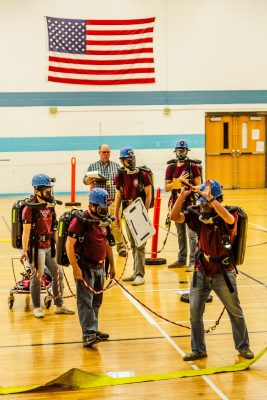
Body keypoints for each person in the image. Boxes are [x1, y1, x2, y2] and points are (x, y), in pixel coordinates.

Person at [170, 179, 254, 361]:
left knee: (235, 312)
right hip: (201, 271)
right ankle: (198, 349)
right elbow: (174, 216)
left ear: (215, 199)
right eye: (201, 201)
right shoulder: (197, 214)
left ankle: (243, 347)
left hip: (223, 273)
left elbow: (229, 219)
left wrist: (211, 199)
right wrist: (181, 197)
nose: (202, 205)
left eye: (205, 201)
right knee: (194, 313)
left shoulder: (230, 215)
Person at [66, 188, 115, 347]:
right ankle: (88, 333)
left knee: (96, 302)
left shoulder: (103, 221)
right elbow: (69, 245)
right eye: (101, 209)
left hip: (100, 267)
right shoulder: (80, 221)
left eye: (105, 209)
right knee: (85, 302)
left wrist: (112, 265)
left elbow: (107, 243)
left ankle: (93, 329)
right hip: (85, 268)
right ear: (92, 206)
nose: (104, 212)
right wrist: (75, 268)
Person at [20, 174, 75, 318]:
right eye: (47, 190)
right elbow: (26, 233)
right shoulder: (29, 209)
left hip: (49, 246)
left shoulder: (50, 206)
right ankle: (37, 307)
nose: (50, 192)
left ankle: (59, 305)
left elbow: (54, 229)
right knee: (36, 277)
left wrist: (61, 248)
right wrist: (25, 251)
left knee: (58, 274)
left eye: (50, 189)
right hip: (35, 248)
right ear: (37, 191)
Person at [114, 146, 152, 286]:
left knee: (140, 244)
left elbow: (148, 195)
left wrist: (145, 212)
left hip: (139, 212)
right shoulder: (120, 176)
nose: (131, 161)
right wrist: (116, 214)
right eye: (128, 159)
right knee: (133, 244)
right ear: (122, 161)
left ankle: (140, 274)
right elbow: (118, 195)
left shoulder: (143, 175)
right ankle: (135, 272)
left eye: (132, 158)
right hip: (127, 213)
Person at [165, 140, 202, 271]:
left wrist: (187, 185)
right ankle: (181, 259)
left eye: (183, 150)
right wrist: (179, 182)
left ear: (187, 151)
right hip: (176, 204)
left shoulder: (193, 166)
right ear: (175, 151)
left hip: (190, 205)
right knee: (180, 234)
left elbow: (199, 186)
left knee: (192, 235)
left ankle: (193, 261)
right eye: (179, 150)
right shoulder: (171, 167)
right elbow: (167, 187)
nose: (181, 153)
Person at [85, 144, 127, 257]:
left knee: (116, 224)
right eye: (104, 152)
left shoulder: (116, 166)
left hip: (113, 201)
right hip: (97, 204)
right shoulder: (93, 166)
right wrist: (89, 179)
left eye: (108, 152)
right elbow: (85, 181)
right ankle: (96, 246)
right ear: (99, 153)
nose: (106, 154)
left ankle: (121, 247)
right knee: (96, 225)